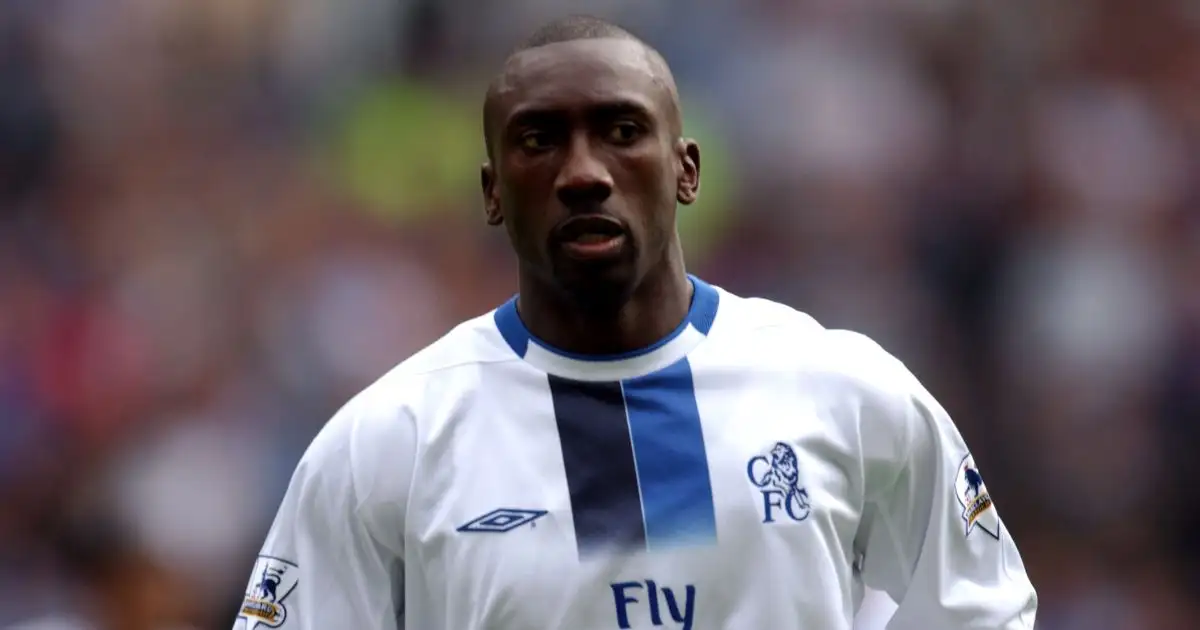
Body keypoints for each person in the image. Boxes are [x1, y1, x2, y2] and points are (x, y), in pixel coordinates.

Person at [233, 15, 1037, 630]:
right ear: (489, 190)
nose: (583, 173)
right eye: (539, 140)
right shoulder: (391, 440)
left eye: (621, 132)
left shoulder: (844, 392)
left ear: (686, 169)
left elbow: (983, 608)